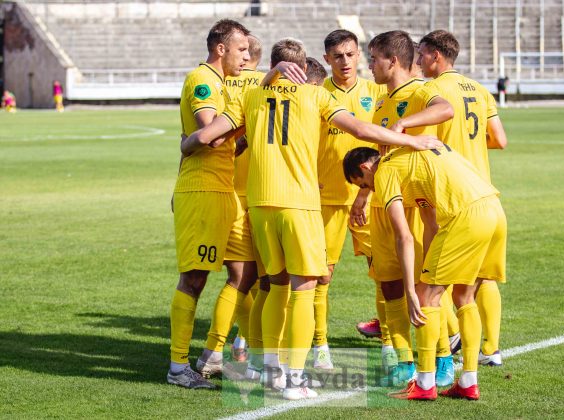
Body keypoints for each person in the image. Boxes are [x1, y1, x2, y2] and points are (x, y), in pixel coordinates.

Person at [180, 37, 445, 400]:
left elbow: (207, 136)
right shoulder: (316, 95)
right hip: (299, 203)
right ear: (303, 69)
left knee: (275, 285)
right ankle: (293, 378)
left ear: (275, 66)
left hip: (259, 205)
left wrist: (185, 144)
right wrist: (414, 142)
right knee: (304, 290)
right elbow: (361, 130)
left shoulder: (251, 96)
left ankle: (272, 371)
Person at [343, 145, 507, 401]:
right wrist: (427, 273)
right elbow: (430, 224)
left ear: (365, 167)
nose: (369, 190)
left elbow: (404, 236)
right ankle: (468, 382)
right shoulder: (412, 163)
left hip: (465, 216)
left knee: (425, 297)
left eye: (363, 184)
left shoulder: (384, 170)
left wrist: (412, 289)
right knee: (464, 297)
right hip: (494, 210)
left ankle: (425, 383)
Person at [399, 30, 508, 367]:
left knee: (434, 280)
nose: (418, 61)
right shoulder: (479, 89)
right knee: (481, 278)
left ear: (434, 55)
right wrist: (473, 147)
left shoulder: (431, 90)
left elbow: (426, 142)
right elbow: (500, 140)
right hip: (485, 191)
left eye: (422, 54)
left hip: (450, 193)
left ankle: (442, 350)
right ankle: (491, 349)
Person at [167, 19, 253, 390]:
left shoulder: (223, 84)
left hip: (225, 190)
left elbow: (220, 140)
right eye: (242, 50)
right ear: (221, 49)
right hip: (203, 190)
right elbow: (208, 134)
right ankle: (177, 367)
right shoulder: (202, 80)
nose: (248, 58)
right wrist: (240, 116)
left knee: (246, 272)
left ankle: (215, 356)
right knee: (195, 278)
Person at [367, 30, 454, 387]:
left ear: (393, 60)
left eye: (374, 58)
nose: (370, 65)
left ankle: (442, 358)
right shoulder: (380, 101)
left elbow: (445, 109)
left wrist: (406, 124)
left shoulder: (418, 90)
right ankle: (404, 362)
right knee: (390, 284)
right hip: (385, 199)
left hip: (419, 206)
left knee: (424, 287)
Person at [313, 29, 387, 372]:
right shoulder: (315, 94)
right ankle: (320, 344)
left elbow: (382, 150)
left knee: (384, 272)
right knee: (321, 276)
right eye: (337, 56)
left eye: (350, 54)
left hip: (369, 199)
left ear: (359, 55)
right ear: (326, 58)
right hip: (324, 199)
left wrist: (363, 193)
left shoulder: (376, 92)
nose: (345, 61)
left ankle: (389, 343)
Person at [223, 34, 266, 366]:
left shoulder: (226, 85)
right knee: (266, 277)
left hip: (228, 189)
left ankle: (240, 340)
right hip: (268, 193)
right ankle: (251, 344)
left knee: (239, 276)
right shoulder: (269, 87)